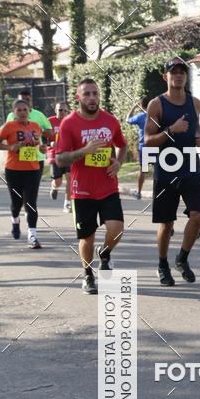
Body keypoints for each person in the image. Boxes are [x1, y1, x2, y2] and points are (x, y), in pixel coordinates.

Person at [56, 78, 127, 295]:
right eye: (86, 94)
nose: (92, 98)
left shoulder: (110, 120)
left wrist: (119, 162)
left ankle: (104, 253)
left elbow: (121, 145)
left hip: (108, 186)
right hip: (82, 190)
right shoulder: (69, 123)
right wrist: (83, 151)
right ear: (78, 97)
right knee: (86, 237)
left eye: (95, 93)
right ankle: (87, 275)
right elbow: (60, 159)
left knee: (116, 229)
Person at [144, 58, 200, 286]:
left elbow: (197, 130)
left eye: (182, 72)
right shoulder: (156, 104)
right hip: (167, 170)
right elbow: (149, 141)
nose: (178, 76)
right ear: (166, 77)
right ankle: (162, 264)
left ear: (186, 77)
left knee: (197, 216)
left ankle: (182, 258)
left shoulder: (194, 103)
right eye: (174, 72)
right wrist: (171, 130)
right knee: (166, 223)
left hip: (190, 167)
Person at [0, 98, 45, 247]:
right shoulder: (8, 126)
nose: (22, 112)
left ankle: (32, 236)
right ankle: (15, 220)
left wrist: (42, 148)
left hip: (33, 170)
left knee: (31, 203)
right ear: (14, 112)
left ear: (29, 111)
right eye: (19, 110)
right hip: (13, 170)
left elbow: (37, 145)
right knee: (16, 203)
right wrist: (10, 148)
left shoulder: (36, 126)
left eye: (25, 109)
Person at [6, 89, 53, 213]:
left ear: (30, 101)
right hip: (17, 159)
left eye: (27, 100)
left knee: (30, 195)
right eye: (21, 99)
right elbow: (7, 133)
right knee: (18, 196)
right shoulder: (11, 116)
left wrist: (36, 130)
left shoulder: (39, 115)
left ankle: (30, 217)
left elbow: (49, 131)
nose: (24, 102)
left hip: (36, 157)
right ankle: (20, 213)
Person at [47, 101, 72, 211]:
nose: (62, 112)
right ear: (55, 111)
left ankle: (67, 203)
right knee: (58, 181)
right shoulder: (49, 121)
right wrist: (50, 143)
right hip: (54, 154)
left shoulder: (72, 122)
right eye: (60, 110)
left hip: (69, 154)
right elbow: (42, 137)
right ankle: (54, 187)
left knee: (70, 178)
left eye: (65, 110)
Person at [126, 96, 150, 199]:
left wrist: (133, 107)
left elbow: (128, 120)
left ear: (141, 106)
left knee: (143, 170)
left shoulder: (140, 117)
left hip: (144, 146)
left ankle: (139, 192)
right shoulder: (157, 115)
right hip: (157, 144)